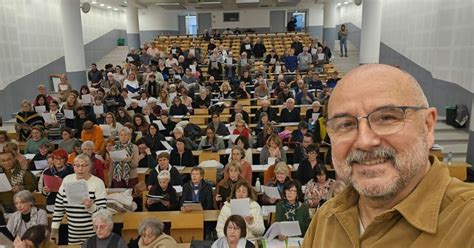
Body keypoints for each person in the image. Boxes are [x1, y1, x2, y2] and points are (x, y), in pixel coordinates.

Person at [303, 64, 474, 247]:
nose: (364, 141)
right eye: (346, 124)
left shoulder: (467, 221)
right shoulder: (326, 218)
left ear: (427, 126)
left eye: (386, 118)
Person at [51, 154, 107, 245]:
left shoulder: (97, 183)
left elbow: (103, 212)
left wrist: (91, 207)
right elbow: (58, 207)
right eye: (77, 165)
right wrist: (54, 230)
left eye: (84, 165)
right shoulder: (67, 180)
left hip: (93, 232)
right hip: (73, 233)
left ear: (90, 166)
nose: (80, 169)